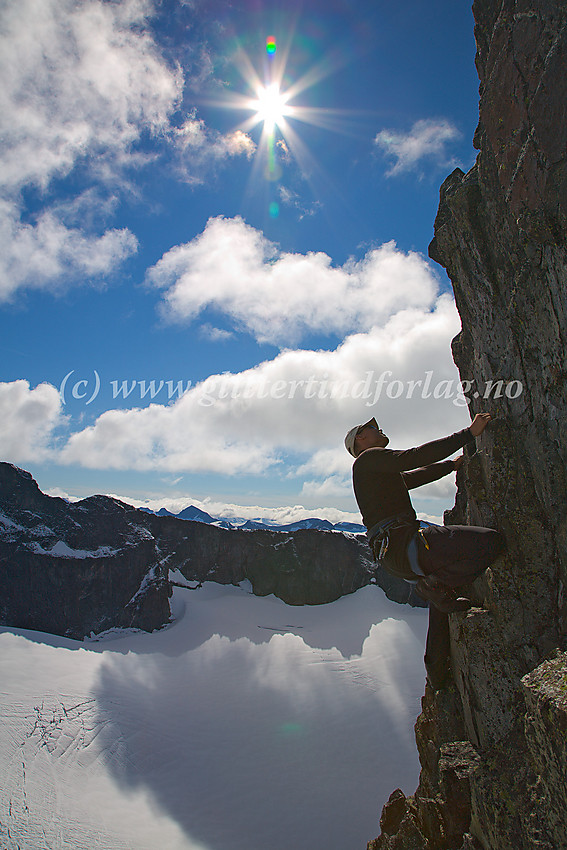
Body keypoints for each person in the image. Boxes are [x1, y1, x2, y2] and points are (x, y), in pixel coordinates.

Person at [344, 412, 506, 688]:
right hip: (407, 543)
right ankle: (436, 584)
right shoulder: (368, 459)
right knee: (492, 542)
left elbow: (410, 477)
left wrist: (450, 467)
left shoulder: (374, 473)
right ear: (361, 438)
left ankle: (437, 674)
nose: (379, 428)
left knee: (441, 601)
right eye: (372, 428)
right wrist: (468, 434)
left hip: (395, 555)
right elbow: (412, 457)